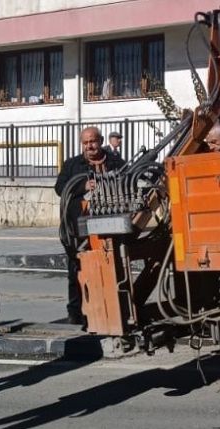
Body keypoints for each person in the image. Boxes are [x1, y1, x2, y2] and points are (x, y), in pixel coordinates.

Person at [54, 127, 125, 325]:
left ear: (101, 141)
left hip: (109, 225)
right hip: (78, 226)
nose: (89, 146)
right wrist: (83, 186)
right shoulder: (72, 165)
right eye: (85, 143)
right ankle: (76, 312)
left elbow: (128, 181)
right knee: (77, 270)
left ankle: (110, 310)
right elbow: (60, 188)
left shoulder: (116, 162)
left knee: (111, 268)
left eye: (93, 141)